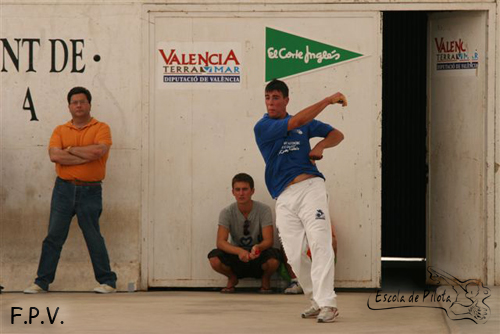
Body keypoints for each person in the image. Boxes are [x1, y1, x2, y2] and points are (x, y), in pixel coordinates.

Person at [254, 79, 346, 323]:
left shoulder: (306, 124)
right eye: (267, 97)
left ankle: (328, 303)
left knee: (320, 241)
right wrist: (327, 100)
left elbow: (337, 134)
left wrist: (321, 145)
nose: (271, 102)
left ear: (286, 100)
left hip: (311, 188)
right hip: (284, 195)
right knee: (294, 255)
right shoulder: (263, 126)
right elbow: (294, 122)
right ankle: (316, 298)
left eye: (276, 97)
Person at [24, 87, 117, 294]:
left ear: (89, 104)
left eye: (82, 102)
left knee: (93, 236)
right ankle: (41, 282)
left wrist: (70, 150)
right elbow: (55, 156)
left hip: (91, 190)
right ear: (69, 106)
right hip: (63, 190)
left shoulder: (101, 127)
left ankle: (107, 282)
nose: (78, 105)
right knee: (54, 236)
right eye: (74, 102)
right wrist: (85, 155)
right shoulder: (60, 130)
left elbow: (98, 151)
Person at [208, 173, 281, 293]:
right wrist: (239, 251)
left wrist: (258, 247)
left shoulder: (264, 210)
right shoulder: (227, 212)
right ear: (233, 192)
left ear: (252, 191)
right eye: (238, 190)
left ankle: (265, 278)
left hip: (257, 256)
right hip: (236, 257)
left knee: (274, 258)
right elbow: (220, 242)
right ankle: (232, 278)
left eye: (245, 189)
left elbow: (268, 240)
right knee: (214, 258)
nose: (241, 193)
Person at [283, 224, 338, 295]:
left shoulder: (319, 216)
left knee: (331, 241)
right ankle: (296, 281)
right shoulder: (291, 219)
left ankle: (322, 282)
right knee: (286, 243)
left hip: (315, 256)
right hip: (297, 262)